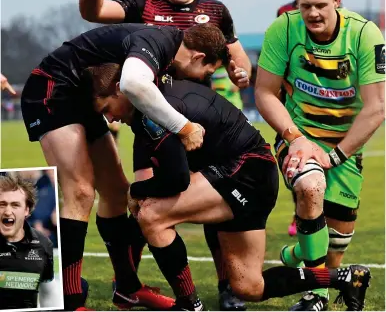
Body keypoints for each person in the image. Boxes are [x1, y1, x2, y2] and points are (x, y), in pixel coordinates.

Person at [89, 69, 371, 312]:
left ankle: (189, 304)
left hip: (244, 173)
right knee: (249, 286)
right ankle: (345, 277)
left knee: (151, 214)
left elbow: (176, 180)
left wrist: (135, 190)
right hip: (251, 174)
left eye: (106, 109)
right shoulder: (156, 98)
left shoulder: (154, 108)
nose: (111, 119)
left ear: (120, 89)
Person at [79, 0, 251, 309]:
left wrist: (241, 73)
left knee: (211, 211)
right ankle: (128, 283)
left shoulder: (215, 10)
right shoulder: (143, 4)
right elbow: (94, 13)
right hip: (151, 126)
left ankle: (225, 287)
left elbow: (236, 56)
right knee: (142, 203)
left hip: (199, 124)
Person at [20, 22, 234, 311]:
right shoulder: (160, 41)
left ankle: (127, 288)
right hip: (54, 86)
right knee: (80, 192)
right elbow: (133, 84)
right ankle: (71, 302)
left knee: (118, 192)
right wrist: (184, 128)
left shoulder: (165, 49)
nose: (205, 78)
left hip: (85, 95)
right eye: (208, 72)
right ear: (197, 57)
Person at [255, 0, 385, 311]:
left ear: (336, 2)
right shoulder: (283, 29)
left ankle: (294, 254)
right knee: (311, 187)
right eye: (305, 5)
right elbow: (264, 93)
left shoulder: (365, 35)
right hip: (298, 136)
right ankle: (317, 297)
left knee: (335, 245)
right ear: (297, 3)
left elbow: (376, 108)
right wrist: (295, 138)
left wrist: (338, 155)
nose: (312, 13)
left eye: (320, 6)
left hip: (345, 145)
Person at [276, 0, 314, 237]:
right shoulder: (284, 13)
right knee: (296, 158)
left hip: (317, 94)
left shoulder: (326, 10)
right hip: (290, 94)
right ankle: (298, 213)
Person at [0, 173, 54, 310]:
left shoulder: (43, 244)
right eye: (2, 204)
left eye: (15, 205)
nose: (7, 211)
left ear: (27, 210)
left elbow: (48, 293)